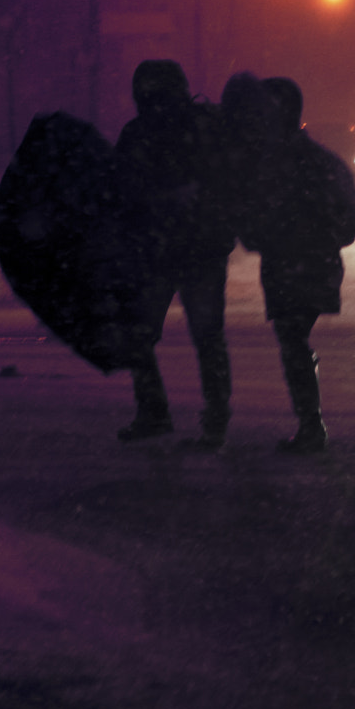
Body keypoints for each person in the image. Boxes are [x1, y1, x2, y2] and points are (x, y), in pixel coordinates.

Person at [240, 76, 355, 453]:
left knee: (291, 339)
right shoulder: (322, 160)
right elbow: (349, 216)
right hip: (315, 262)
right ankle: (310, 420)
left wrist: (266, 235)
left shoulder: (273, 164)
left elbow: (254, 218)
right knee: (294, 338)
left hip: (290, 264)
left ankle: (311, 423)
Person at [114, 60, 234, 446]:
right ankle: (215, 418)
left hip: (160, 251)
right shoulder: (205, 126)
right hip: (199, 248)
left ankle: (156, 411)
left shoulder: (141, 133)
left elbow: (122, 193)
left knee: (140, 334)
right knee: (207, 337)